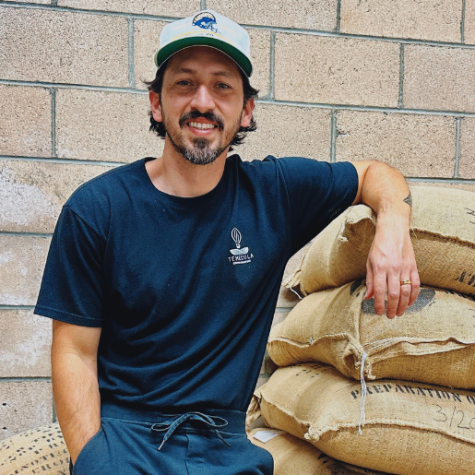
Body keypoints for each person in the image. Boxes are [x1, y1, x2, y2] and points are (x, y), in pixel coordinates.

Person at [34, 9, 420, 475]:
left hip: (226, 447)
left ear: (246, 110)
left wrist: (394, 226)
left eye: (222, 86)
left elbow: (374, 175)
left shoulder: (273, 194)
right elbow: (74, 350)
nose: (203, 101)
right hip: (126, 441)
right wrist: (93, 459)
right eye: (184, 84)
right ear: (156, 104)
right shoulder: (97, 208)